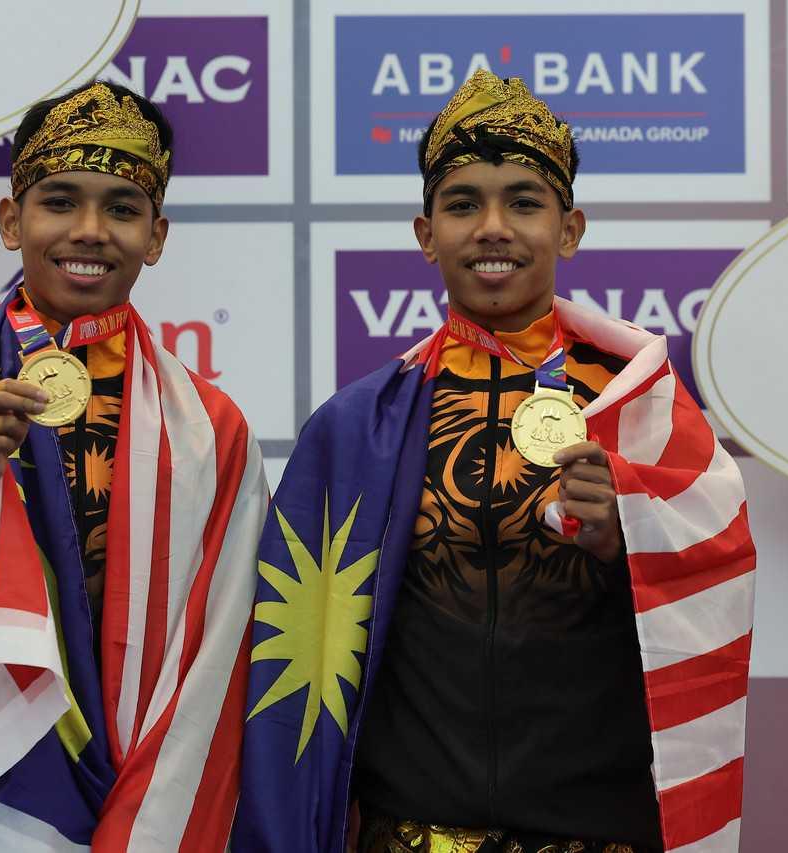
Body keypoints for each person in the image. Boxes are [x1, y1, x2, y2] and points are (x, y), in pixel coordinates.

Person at [235, 70, 756, 853]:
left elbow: (716, 589)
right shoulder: (353, 430)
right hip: (408, 835)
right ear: (425, 233)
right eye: (462, 203)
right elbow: (290, 659)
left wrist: (631, 534)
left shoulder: (639, 410)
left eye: (523, 201)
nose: (492, 226)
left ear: (569, 229)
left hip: (597, 834)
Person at [0, 80, 267, 851]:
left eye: (122, 208)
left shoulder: (210, 427)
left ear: (157, 235)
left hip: (148, 784)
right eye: (59, 200)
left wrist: (154, 813)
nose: (90, 230)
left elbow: (222, 641)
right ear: (12, 219)